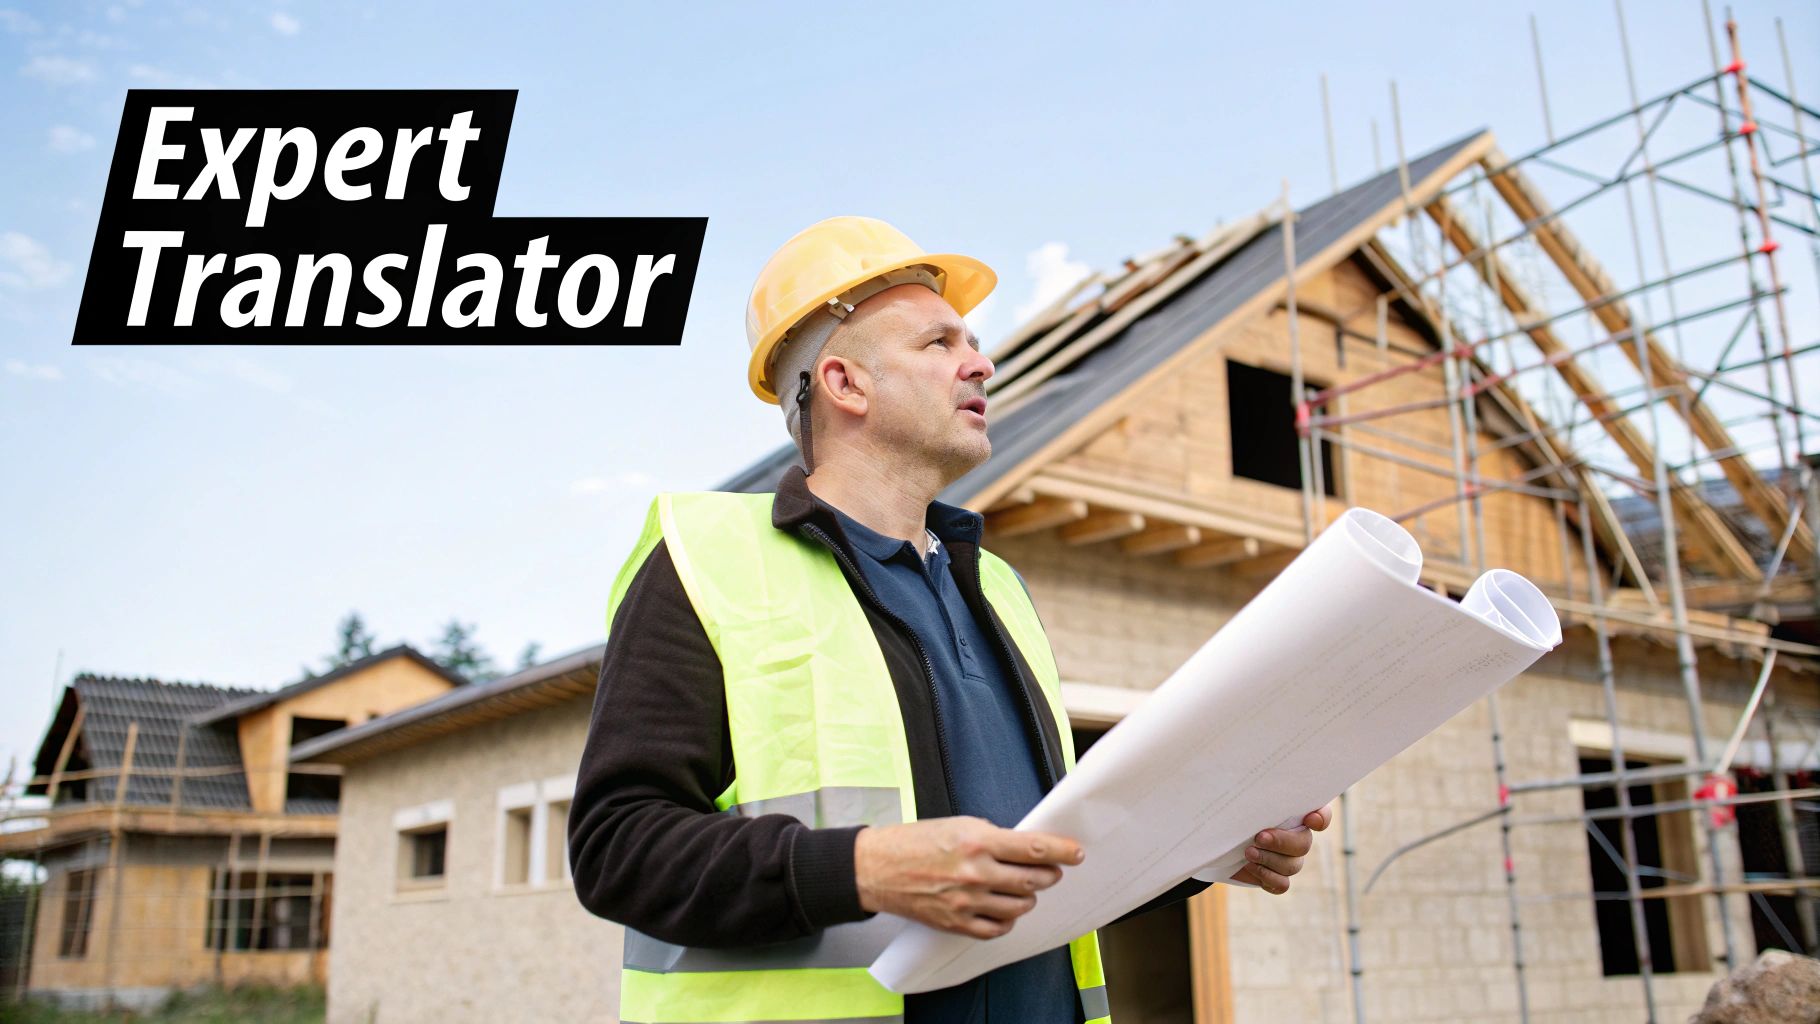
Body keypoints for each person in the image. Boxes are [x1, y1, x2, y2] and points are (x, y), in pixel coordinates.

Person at [568, 215, 1333, 1024]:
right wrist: (860, 869)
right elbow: (618, 847)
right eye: (938, 344)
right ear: (845, 384)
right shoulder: (709, 559)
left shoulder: (996, 589)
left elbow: (1045, 856)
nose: (981, 362)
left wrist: (1205, 849)